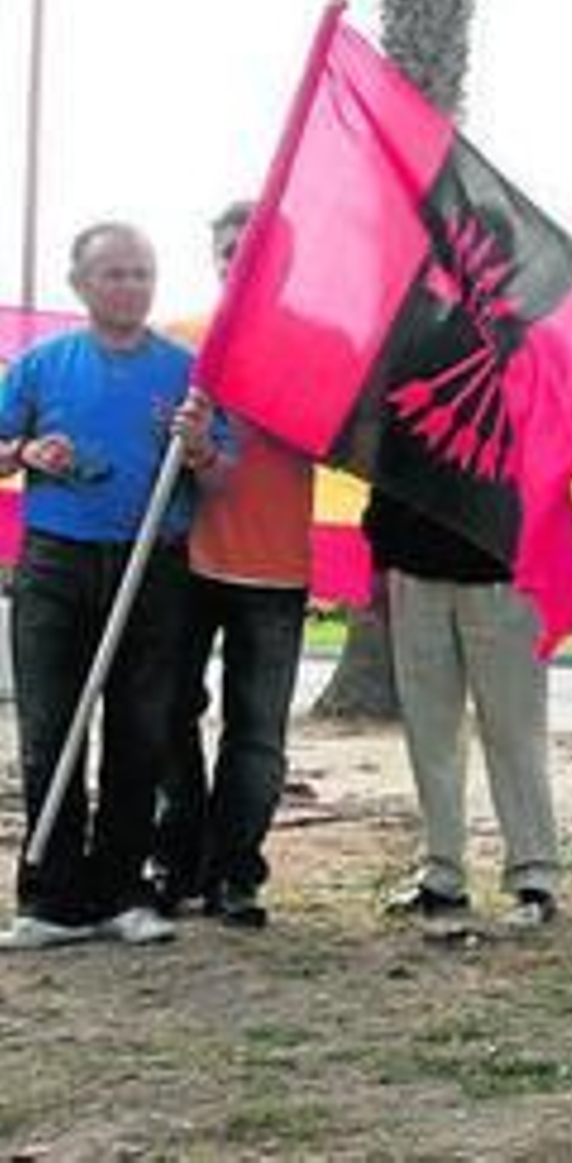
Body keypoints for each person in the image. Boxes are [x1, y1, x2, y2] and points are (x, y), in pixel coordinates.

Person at [0, 222, 221, 951]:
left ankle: (122, 889)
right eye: (115, 274)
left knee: (141, 728)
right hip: (56, 562)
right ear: (81, 284)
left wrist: (194, 446)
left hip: (151, 563)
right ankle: (52, 899)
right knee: (49, 730)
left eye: (141, 273)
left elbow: (222, 468)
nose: (130, 286)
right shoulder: (41, 365)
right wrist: (28, 450)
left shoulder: (186, 373)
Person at [150, 201, 314, 929]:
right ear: (214, 258)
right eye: (228, 250)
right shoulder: (177, 340)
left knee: (257, 734)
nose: (239, 260)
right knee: (165, 715)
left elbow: (335, 440)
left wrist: (270, 394)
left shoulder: (319, 344)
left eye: (255, 249)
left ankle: (236, 874)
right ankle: (174, 861)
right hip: (184, 558)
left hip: (275, 566)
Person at [368, 489, 560, 928]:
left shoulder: (528, 415)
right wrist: (380, 560)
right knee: (429, 733)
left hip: (504, 569)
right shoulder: (404, 415)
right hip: (415, 567)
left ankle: (535, 874)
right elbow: (386, 476)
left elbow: (551, 470)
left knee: (514, 730)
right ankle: (442, 871)